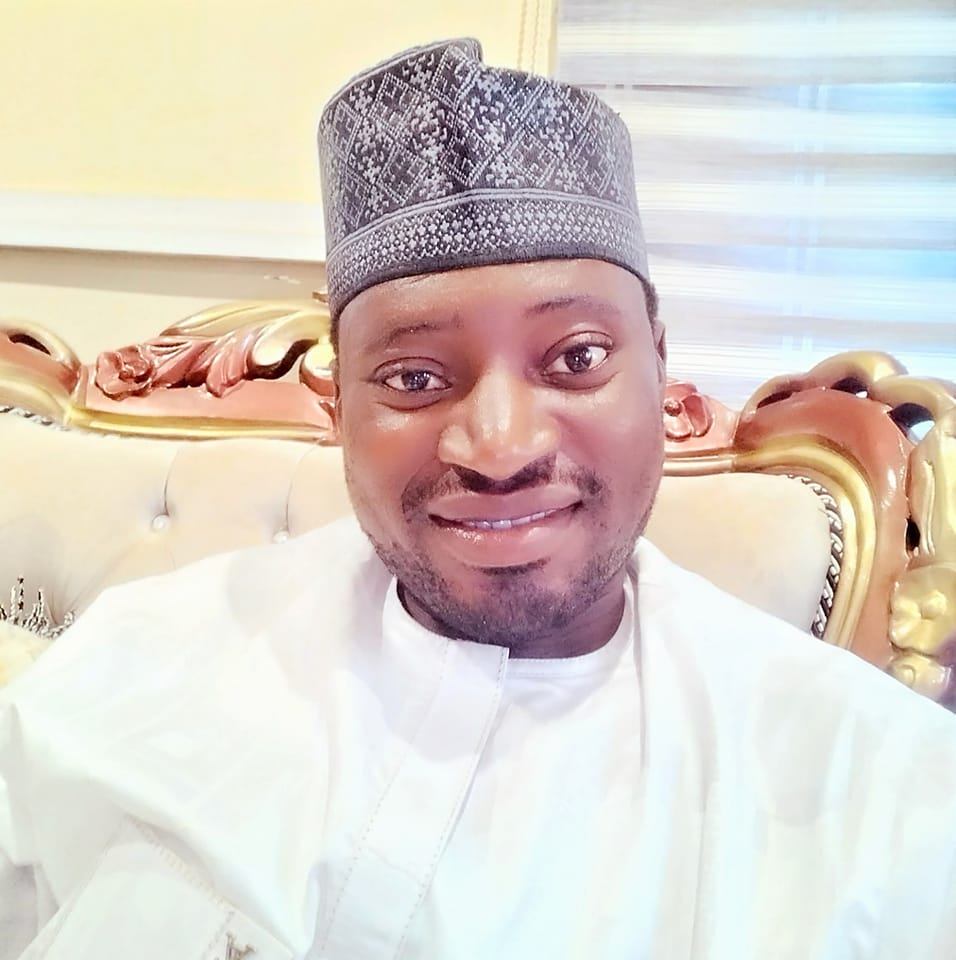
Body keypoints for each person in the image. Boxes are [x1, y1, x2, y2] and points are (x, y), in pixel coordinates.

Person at [1, 37, 954, 960]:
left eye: (577, 358)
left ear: (658, 366)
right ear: (339, 405)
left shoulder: (884, 802)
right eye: (415, 377)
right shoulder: (131, 668)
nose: (499, 450)